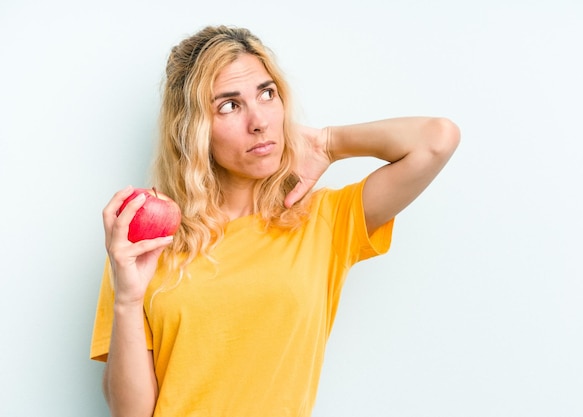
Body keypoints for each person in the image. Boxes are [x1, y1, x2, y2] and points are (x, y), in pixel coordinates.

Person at [90, 24, 460, 417]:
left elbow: (437, 138)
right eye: (229, 105)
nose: (259, 121)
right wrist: (128, 301)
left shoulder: (321, 221)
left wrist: (327, 143)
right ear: (192, 128)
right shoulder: (146, 244)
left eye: (267, 94)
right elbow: (131, 414)